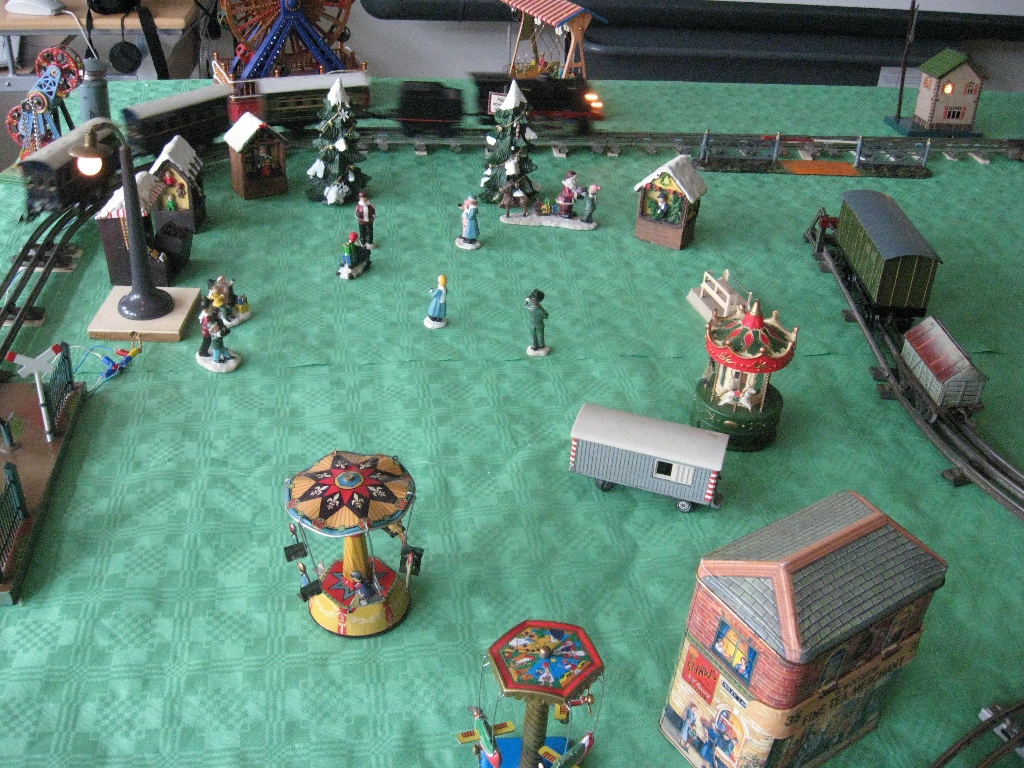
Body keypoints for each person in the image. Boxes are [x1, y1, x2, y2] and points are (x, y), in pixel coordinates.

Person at [524, 289, 549, 356]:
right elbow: (545, 316)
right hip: (540, 325)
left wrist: (527, 300)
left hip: (532, 325)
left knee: (533, 336)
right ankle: (541, 346)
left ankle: (534, 346)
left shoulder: (530, 308)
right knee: (540, 336)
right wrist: (546, 312)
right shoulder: (540, 309)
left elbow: (525, 305)